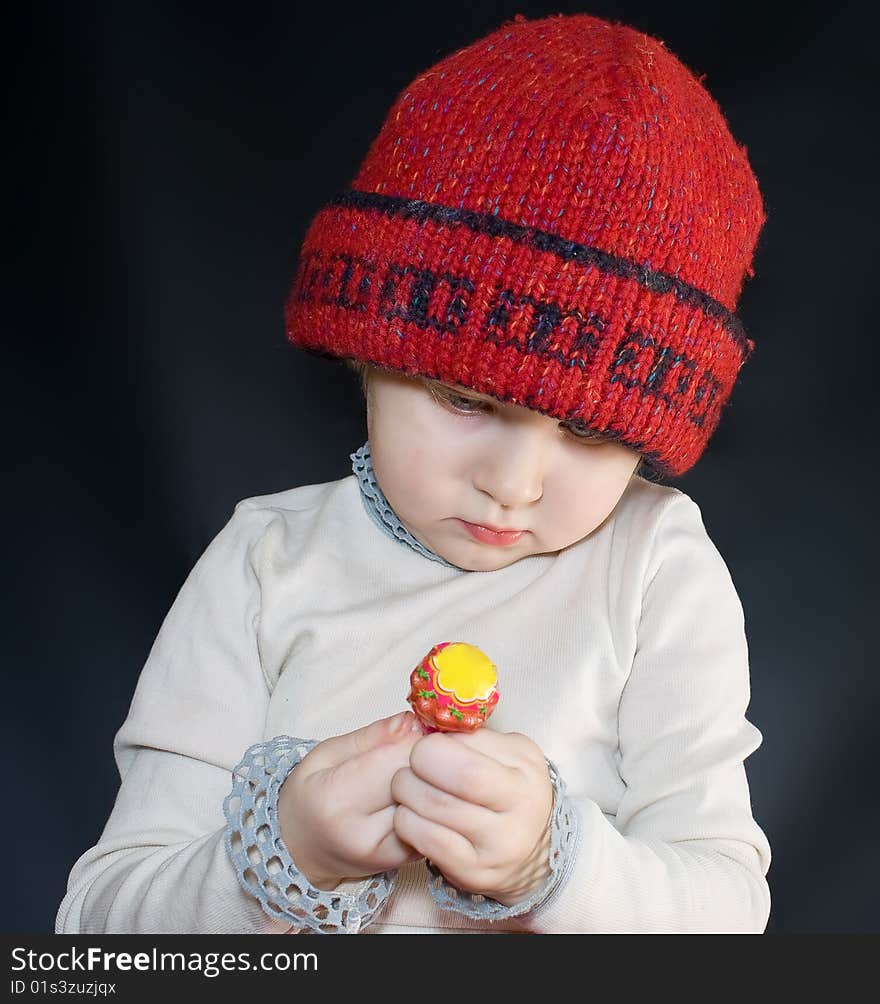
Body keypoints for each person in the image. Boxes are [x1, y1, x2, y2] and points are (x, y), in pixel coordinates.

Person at [55, 11, 772, 935]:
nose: (514, 485)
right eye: (467, 401)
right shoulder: (265, 563)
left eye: (589, 430)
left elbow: (727, 920)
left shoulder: (654, 569)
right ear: (368, 355)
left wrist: (558, 864)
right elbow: (95, 940)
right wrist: (283, 856)